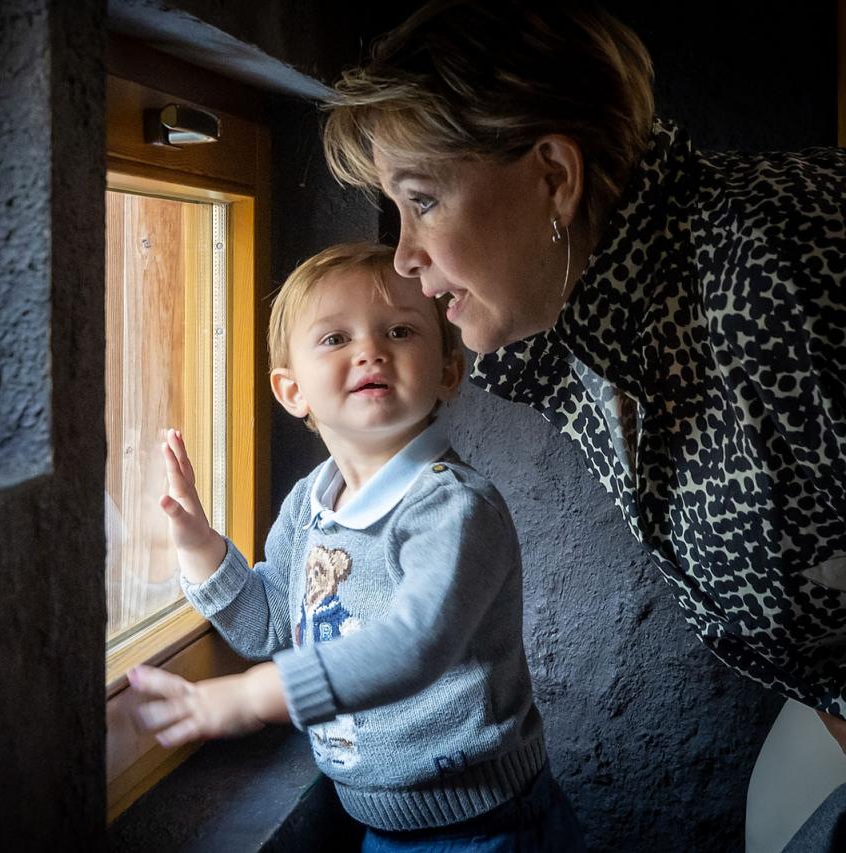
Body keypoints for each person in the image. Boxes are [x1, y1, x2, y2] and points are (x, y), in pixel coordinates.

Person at [318, 0, 846, 786]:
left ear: (555, 177)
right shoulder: (603, 322)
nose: (404, 257)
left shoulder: (774, 284)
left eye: (422, 200)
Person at [127, 243, 585, 850]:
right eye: (335, 339)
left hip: (480, 825)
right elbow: (270, 624)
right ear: (292, 391)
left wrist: (255, 696)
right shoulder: (311, 502)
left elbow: (412, 646)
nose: (370, 350)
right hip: (379, 820)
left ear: (449, 372)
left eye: (399, 330)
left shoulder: (454, 509)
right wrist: (199, 546)